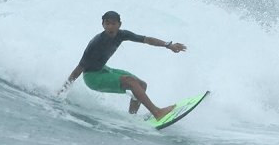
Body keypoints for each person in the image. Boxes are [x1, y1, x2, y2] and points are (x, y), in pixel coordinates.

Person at [58, 11, 187, 121]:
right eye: (107, 23)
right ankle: (157, 113)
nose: (110, 27)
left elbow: (146, 39)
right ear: (102, 25)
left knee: (141, 85)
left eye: (113, 23)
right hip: (92, 77)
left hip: (103, 70)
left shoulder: (122, 34)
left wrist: (168, 45)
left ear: (119, 24)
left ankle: (132, 118)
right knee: (130, 82)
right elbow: (79, 69)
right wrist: (62, 91)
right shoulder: (96, 43)